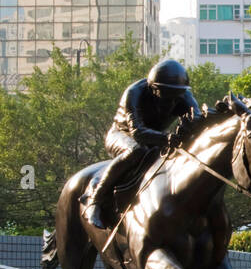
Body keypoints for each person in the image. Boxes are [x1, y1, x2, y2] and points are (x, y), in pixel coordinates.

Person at [80, 59, 204, 229]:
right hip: (122, 134)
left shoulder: (182, 94)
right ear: (154, 89)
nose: (172, 100)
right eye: (167, 94)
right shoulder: (134, 93)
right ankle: (95, 200)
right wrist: (166, 138)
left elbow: (197, 119)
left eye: (176, 95)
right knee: (136, 151)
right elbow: (138, 132)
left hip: (157, 139)